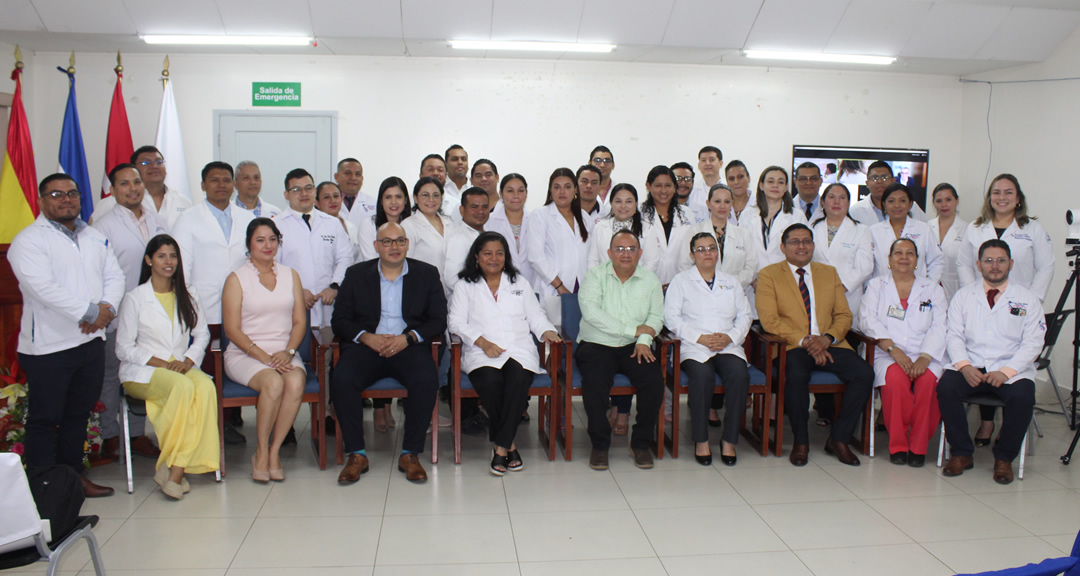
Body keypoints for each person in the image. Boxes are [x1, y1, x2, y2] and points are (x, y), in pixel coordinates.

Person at [10, 173, 126, 498]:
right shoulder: (29, 240)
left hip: (89, 344)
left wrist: (106, 308)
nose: (66, 199)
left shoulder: (93, 236)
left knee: (78, 416)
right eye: (57, 194)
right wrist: (90, 313)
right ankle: (44, 485)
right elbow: (43, 288)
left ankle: (74, 479)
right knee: (46, 419)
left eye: (72, 193)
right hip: (48, 347)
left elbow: (115, 275)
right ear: (42, 200)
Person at [332, 222, 447, 484]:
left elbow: (438, 320)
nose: (394, 247)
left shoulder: (427, 274)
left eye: (399, 241)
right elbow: (340, 320)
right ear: (376, 246)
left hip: (407, 346)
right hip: (367, 347)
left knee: (426, 379)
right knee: (342, 379)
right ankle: (357, 454)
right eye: (387, 241)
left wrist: (408, 338)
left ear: (408, 244)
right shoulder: (356, 274)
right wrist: (366, 336)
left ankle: (410, 454)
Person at [755, 223, 874, 467]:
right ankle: (801, 441)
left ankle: (839, 438)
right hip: (792, 346)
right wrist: (806, 340)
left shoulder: (828, 273)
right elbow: (769, 320)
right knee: (796, 375)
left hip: (831, 343)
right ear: (783, 247)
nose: (801, 246)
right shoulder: (769, 275)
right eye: (795, 242)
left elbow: (843, 315)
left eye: (807, 241)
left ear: (813, 246)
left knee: (864, 373)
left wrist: (826, 339)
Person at [448, 231, 561, 475]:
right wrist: (481, 341)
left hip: (518, 348)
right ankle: (508, 444)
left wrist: (547, 331)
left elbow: (535, 315)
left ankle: (500, 448)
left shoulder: (518, 282)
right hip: (481, 351)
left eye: (499, 253)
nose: (494, 258)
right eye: (487, 253)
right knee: (490, 381)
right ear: (476, 257)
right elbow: (455, 322)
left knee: (518, 379)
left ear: (506, 257)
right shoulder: (465, 285)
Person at [115, 235, 218, 499]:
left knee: (206, 387)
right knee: (183, 387)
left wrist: (188, 360)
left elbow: (202, 334)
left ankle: (174, 469)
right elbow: (123, 348)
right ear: (149, 260)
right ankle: (174, 471)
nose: (168, 261)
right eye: (161, 256)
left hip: (181, 366)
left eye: (173, 256)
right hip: (143, 371)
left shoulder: (189, 293)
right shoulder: (135, 297)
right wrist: (162, 363)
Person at [955, 174, 1054, 447]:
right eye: (996, 192)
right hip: (981, 300)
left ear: (1018, 198)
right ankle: (987, 423)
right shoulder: (976, 228)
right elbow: (964, 263)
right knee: (983, 352)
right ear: (990, 197)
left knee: (1006, 357)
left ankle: (1007, 429)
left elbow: (1046, 266)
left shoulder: (1032, 228)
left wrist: (1030, 299)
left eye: (1008, 192)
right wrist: (973, 292)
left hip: (1018, 308)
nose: (1002, 197)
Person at [939, 239, 1045, 485]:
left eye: (1001, 260)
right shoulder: (963, 297)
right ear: (979, 265)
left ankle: (1004, 458)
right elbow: (953, 335)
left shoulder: (1028, 300)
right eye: (988, 260)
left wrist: (1006, 372)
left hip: (1011, 370)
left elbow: (1033, 343)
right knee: (946, 388)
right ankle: (962, 453)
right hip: (971, 365)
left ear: (1011, 264)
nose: (994, 266)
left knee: (1024, 397)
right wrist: (964, 366)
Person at [91, 163, 168, 463]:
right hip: (118, 315)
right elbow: (97, 274)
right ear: (113, 190)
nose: (133, 188)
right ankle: (109, 436)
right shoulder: (103, 226)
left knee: (145, 372)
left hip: (153, 313)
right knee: (112, 377)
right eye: (125, 184)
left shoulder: (156, 219)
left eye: (136, 182)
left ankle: (137, 436)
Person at [221, 218, 308, 483]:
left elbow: (299, 321)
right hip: (245, 353)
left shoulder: (291, 275)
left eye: (272, 239)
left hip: (284, 351)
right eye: (260, 240)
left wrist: (289, 351)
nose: (267, 245)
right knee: (272, 382)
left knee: (294, 381)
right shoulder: (236, 279)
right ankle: (259, 452)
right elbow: (233, 330)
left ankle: (274, 451)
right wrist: (265, 358)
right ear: (249, 244)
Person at [578, 230, 665, 471]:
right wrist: (634, 329)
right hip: (597, 343)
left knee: (654, 382)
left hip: (634, 346)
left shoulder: (650, 280)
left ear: (640, 253)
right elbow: (592, 314)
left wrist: (644, 339)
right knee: (594, 383)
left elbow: (656, 316)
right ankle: (599, 444)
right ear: (609, 253)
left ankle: (640, 443)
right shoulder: (595, 276)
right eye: (619, 249)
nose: (625, 254)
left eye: (631, 249)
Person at [665, 232, 752, 466]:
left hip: (727, 345)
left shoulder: (731, 282)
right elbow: (670, 318)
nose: (707, 253)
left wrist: (730, 337)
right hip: (694, 346)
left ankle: (729, 440)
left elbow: (745, 315)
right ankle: (701, 439)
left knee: (738, 375)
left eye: (711, 248)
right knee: (702, 377)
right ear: (692, 255)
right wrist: (699, 338)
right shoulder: (681, 281)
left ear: (718, 253)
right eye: (701, 249)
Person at [859, 238, 947, 467]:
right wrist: (893, 350)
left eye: (910, 253)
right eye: (898, 253)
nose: (904, 257)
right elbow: (868, 320)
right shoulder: (877, 286)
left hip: (926, 354)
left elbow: (941, 326)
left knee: (928, 383)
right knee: (896, 382)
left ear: (917, 260)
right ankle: (898, 445)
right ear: (889, 260)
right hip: (887, 352)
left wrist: (926, 356)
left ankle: (918, 446)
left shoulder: (933, 289)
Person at [171, 161, 255, 326]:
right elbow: (181, 268)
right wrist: (186, 305)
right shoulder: (187, 219)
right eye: (214, 180)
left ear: (234, 185)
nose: (221, 185)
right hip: (202, 306)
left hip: (245, 305)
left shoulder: (248, 219)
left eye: (226, 180)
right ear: (203, 185)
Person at [273, 168, 353, 329]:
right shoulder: (276, 225)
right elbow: (272, 266)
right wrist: (295, 291)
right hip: (290, 308)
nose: (304, 193)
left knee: (328, 350)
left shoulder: (332, 223)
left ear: (314, 191)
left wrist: (335, 286)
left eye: (308, 188)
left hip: (329, 306)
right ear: (286, 195)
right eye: (296, 189)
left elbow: (345, 258)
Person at [527, 167, 593, 326]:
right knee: (554, 338)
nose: (562, 191)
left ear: (575, 190)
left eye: (567, 186)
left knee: (579, 336)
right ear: (550, 190)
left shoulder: (585, 217)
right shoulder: (540, 215)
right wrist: (560, 286)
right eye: (557, 187)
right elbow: (536, 258)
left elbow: (591, 255)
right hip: (553, 288)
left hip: (581, 287)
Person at [810, 183, 874, 320]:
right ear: (823, 202)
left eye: (842, 197)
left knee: (844, 333)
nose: (837, 202)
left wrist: (840, 287)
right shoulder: (811, 228)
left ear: (849, 202)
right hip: (816, 293)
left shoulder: (861, 230)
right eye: (832, 197)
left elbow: (865, 267)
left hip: (847, 295)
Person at [676, 183, 758, 290]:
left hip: (734, 292)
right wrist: (707, 285)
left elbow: (751, 268)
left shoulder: (743, 234)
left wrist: (728, 284)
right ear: (708, 204)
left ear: (732, 204)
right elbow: (684, 265)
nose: (722, 206)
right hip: (701, 292)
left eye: (727, 201)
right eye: (717, 201)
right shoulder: (695, 231)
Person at [90, 146, 192, 229]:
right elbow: (95, 235)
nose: (154, 166)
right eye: (145, 163)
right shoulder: (113, 202)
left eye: (158, 162)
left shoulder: (183, 201)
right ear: (134, 168)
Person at [868, 183, 943, 281]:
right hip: (881, 290)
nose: (897, 205)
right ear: (884, 204)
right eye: (891, 201)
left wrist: (928, 287)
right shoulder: (873, 231)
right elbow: (867, 265)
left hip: (918, 291)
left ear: (910, 204)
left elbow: (936, 261)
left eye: (902, 201)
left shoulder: (923, 229)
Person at [586, 183, 662, 275]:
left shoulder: (647, 228)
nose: (623, 206)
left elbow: (651, 263)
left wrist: (632, 282)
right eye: (618, 201)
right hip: (604, 283)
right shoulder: (600, 227)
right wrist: (600, 280)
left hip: (637, 284)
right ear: (611, 204)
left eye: (629, 201)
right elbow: (593, 260)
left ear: (636, 204)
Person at [745, 166, 808, 275]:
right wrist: (751, 279)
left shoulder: (796, 216)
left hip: (786, 278)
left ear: (786, 187)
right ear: (761, 185)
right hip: (753, 280)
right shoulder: (747, 215)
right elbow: (742, 251)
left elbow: (803, 251)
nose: (775, 185)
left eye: (780, 182)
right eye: (770, 181)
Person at [641, 165, 696, 285]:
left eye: (668, 185)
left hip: (681, 283)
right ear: (648, 186)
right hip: (647, 283)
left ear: (675, 187)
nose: (663, 191)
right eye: (658, 185)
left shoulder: (687, 214)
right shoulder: (639, 215)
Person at [486, 173, 534, 287]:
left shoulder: (535, 220)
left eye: (521, 191)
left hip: (532, 284)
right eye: (510, 191)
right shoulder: (489, 222)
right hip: (500, 285)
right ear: (501, 194)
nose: (516, 195)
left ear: (526, 194)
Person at [402, 176, 455, 280]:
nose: (431, 200)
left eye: (436, 195)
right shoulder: (408, 226)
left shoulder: (449, 223)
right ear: (416, 198)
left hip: (450, 290)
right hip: (422, 288)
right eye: (425, 195)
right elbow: (405, 263)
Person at [444, 187, 492, 298]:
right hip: (469, 304)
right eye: (474, 207)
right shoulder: (457, 239)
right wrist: (482, 293)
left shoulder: (486, 235)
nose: (480, 211)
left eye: (485, 207)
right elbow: (452, 280)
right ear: (462, 210)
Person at [849, 161, 928, 225]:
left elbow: (926, 232)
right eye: (874, 178)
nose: (880, 181)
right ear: (867, 183)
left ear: (893, 181)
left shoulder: (911, 207)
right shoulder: (855, 211)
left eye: (885, 177)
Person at [358, 177, 413, 262]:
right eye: (388, 197)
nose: (393, 202)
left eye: (398, 197)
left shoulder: (412, 225)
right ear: (381, 201)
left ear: (405, 200)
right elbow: (370, 261)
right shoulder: (368, 224)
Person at [928, 183, 968, 301]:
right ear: (934, 203)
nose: (944, 205)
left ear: (957, 201)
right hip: (930, 287)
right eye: (939, 201)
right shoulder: (927, 227)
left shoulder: (967, 229)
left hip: (955, 288)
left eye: (948, 200)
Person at [315, 180, 361, 261]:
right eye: (326, 197)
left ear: (342, 199)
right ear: (317, 203)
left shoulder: (351, 227)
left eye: (336, 196)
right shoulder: (312, 229)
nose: (332, 201)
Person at [687, 146, 724, 214]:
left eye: (712, 160)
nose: (707, 163)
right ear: (699, 165)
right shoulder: (691, 190)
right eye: (703, 160)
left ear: (721, 163)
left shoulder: (729, 188)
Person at [724, 160, 756, 227]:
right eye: (731, 179)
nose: (736, 182)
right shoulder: (722, 206)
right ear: (727, 182)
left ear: (748, 178)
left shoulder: (759, 205)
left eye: (740, 177)